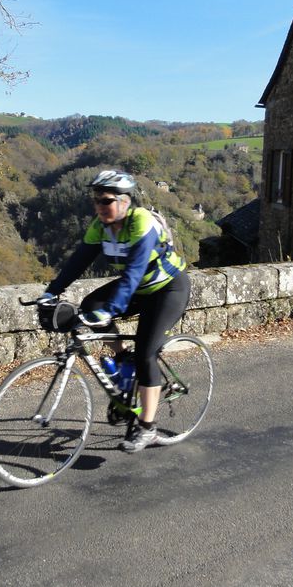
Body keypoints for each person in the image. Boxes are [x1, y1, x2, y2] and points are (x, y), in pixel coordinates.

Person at [42, 169, 190, 453]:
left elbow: (133, 272)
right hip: (137, 289)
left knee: (147, 352)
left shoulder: (140, 222)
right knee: (90, 305)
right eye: (96, 200)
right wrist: (51, 291)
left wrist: (111, 310)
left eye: (106, 201)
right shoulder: (100, 226)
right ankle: (123, 359)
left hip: (168, 289)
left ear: (124, 201)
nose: (100, 206)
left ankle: (148, 428)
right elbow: (78, 261)